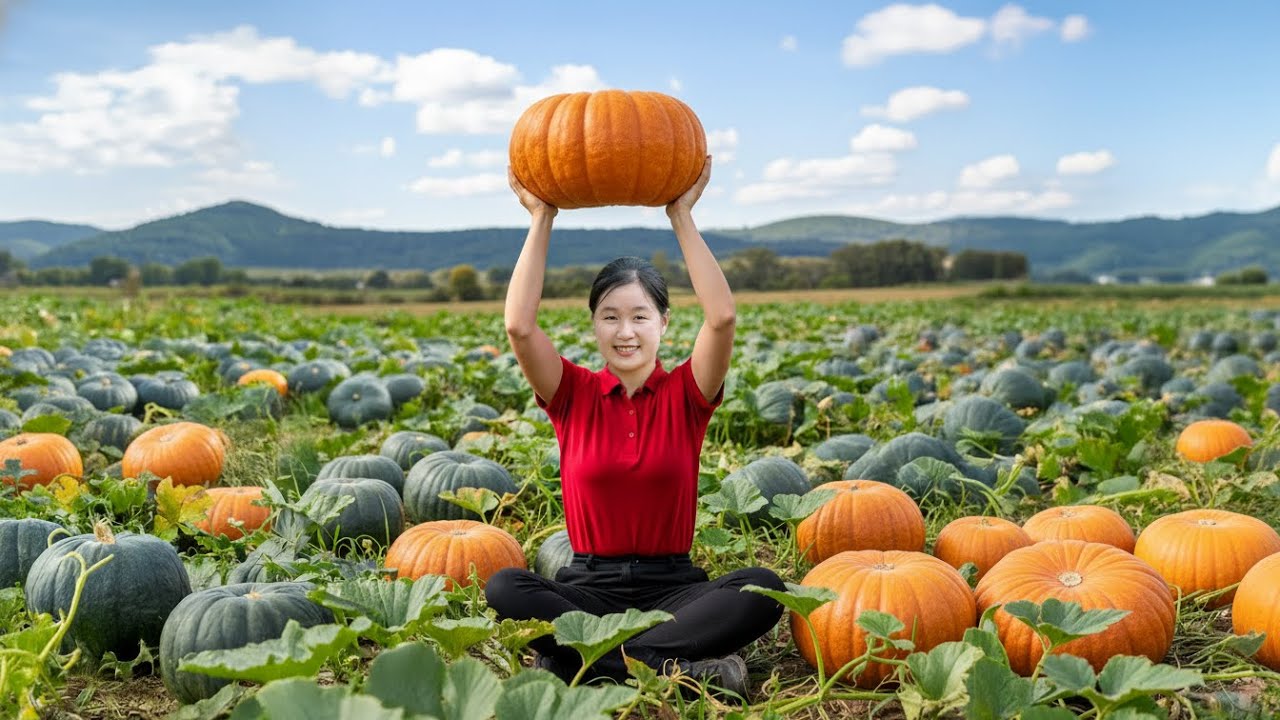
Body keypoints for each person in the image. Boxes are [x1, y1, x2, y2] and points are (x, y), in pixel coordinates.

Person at [484, 156, 786, 698]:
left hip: (674, 593)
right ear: (594, 325)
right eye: (610, 316)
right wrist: (540, 217)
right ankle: (673, 668)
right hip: (587, 593)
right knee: (506, 585)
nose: (626, 331)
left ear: (664, 324)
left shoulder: (688, 395)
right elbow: (518, 325)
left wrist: (682, 215)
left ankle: (588, 666)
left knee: (763, 587)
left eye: (640, 316)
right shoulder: (570, 394)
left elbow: (721, 318)